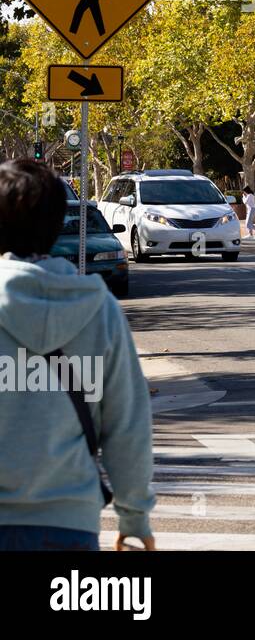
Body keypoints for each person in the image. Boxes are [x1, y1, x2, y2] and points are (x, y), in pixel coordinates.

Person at [0, 159, 155, 551]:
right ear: (57, 224)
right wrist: (134, 517)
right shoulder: (99, 308)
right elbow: (127, 425)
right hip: (71, 524)